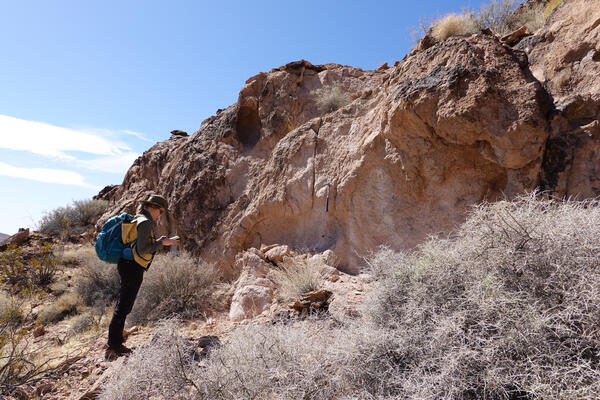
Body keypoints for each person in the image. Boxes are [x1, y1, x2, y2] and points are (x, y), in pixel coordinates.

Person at [105, 194, 179, 360]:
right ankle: (114, 345)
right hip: (133, 267)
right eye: (160, 211)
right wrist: (163, 243)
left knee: (123, 304)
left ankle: (115, 339)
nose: (160, 215)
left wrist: (158, 241)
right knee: (124, 306)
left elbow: (138, 245)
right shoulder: (145, 223)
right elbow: (143, 249)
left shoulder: (138, 219)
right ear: (152, 208)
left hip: (126, 264)